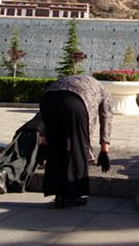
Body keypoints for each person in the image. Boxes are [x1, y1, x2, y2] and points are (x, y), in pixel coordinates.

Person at [39, 75, 113, 208]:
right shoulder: (104, 90)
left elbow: (45, 119)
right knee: (78, 148)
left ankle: (59, 194)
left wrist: (44, 142)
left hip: (48, 98)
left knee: (56, 147)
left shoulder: (72, 80)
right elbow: (106, 118)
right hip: (75, 101)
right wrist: (104, 151)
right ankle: (73, 195)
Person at [0, 112, 46, 194]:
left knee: (11, 156)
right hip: (38, 136)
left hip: (24, 132)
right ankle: (1, 175)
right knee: (23, 161)